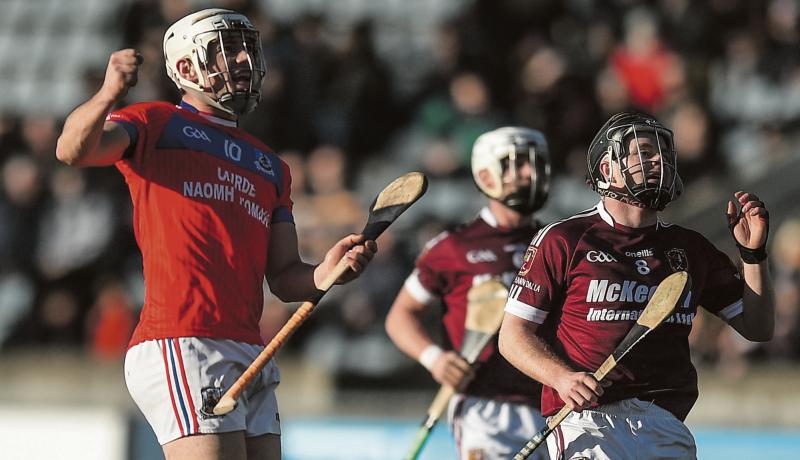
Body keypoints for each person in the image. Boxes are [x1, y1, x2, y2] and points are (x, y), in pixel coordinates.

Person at [55, 9, 376, 460]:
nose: (245, 59)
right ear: (186, 68)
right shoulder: (155, 123)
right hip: (184, 339)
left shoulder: (270, 166)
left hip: (249, 348)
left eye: (249, 48)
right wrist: (109, 93)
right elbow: (71, 149)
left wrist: (327, 272)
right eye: (228, 49)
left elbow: (284, 278)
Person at [498, 111, 774, 459]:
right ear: (607, 169)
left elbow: (758, 326)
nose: (658, 160)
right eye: (644, 152)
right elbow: (512, 336)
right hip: (587, 421)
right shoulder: (564, 239)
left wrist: (754, 255)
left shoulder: (690, 247)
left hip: (665, 421)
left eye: (663, 153)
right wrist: (562, 378)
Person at [385, 127, 553, 459]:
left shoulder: (557, 243)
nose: (530, 173)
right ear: (486, 174)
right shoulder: (454, 247)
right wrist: (434, 359)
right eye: (517, 164)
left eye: (535, 164)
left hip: (552, 403)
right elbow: (399, 316)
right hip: (487, 406)